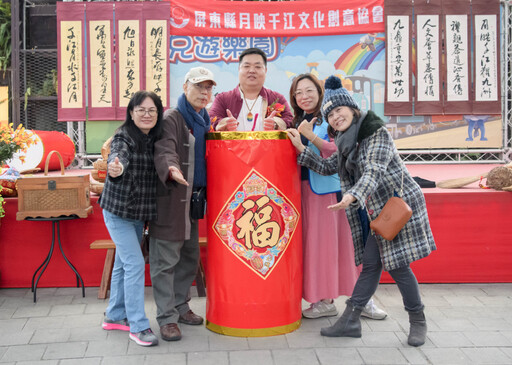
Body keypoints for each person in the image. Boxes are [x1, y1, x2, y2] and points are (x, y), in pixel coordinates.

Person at [286, 75, 436, 347]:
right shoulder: (345, 137)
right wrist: (300, 149)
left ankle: (418, 322)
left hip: (396, 208)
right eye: (330, 114)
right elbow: (330, 165)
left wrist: (354, 194)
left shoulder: (374, 131)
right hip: (377, 212)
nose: (335, 117)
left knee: (399, 267)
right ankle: (351, 320)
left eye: (339, 110)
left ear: (352, 109)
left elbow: (373, 171)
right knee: (371, 264)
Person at [289, 74, 387, 320]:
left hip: (333, 192)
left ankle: (362, 299)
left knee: (346, 246)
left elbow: (341, 150)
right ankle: (324, 300)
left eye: (309, 90)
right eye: (298, 93)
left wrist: (311, 137)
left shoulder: (331, 117)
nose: (304, 96)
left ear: (319, 92)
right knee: (319, 248)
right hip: (305, 192)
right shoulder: (296, 120)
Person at [148, 67, 215, 342]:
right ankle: (166, 318)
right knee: (165, 261)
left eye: (209, 88)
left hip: (193, 202)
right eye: (199, 86)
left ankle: (181, 306)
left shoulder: (203, 118)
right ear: (185, 86)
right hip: (170, 201)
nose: (204, 92)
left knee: (189, 256)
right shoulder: (172, 118)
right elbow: (165, 149)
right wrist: (171, 169)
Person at [99, 90, 163, 347]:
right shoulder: (123, 136)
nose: (146, 115)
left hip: (138, 215)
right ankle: (138, 326)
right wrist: (117, 167)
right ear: (131, 113)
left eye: (152, 111)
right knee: (135, 264)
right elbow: (119, 154)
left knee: (124, 265)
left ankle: (114, 315)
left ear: (158, 115)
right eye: (141, 110)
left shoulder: (156, 137)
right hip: (117, 213)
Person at [209, 47, 293, 131]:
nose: (252, 70)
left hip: (267, 144)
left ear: (265, 70)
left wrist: (276, 124)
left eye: (258, 66)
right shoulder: (222, 99)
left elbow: (290, 122)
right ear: (239, 69)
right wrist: (224, 123)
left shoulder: (277, 98)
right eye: (246, 66)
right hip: (232, 144)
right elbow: (212, 120)